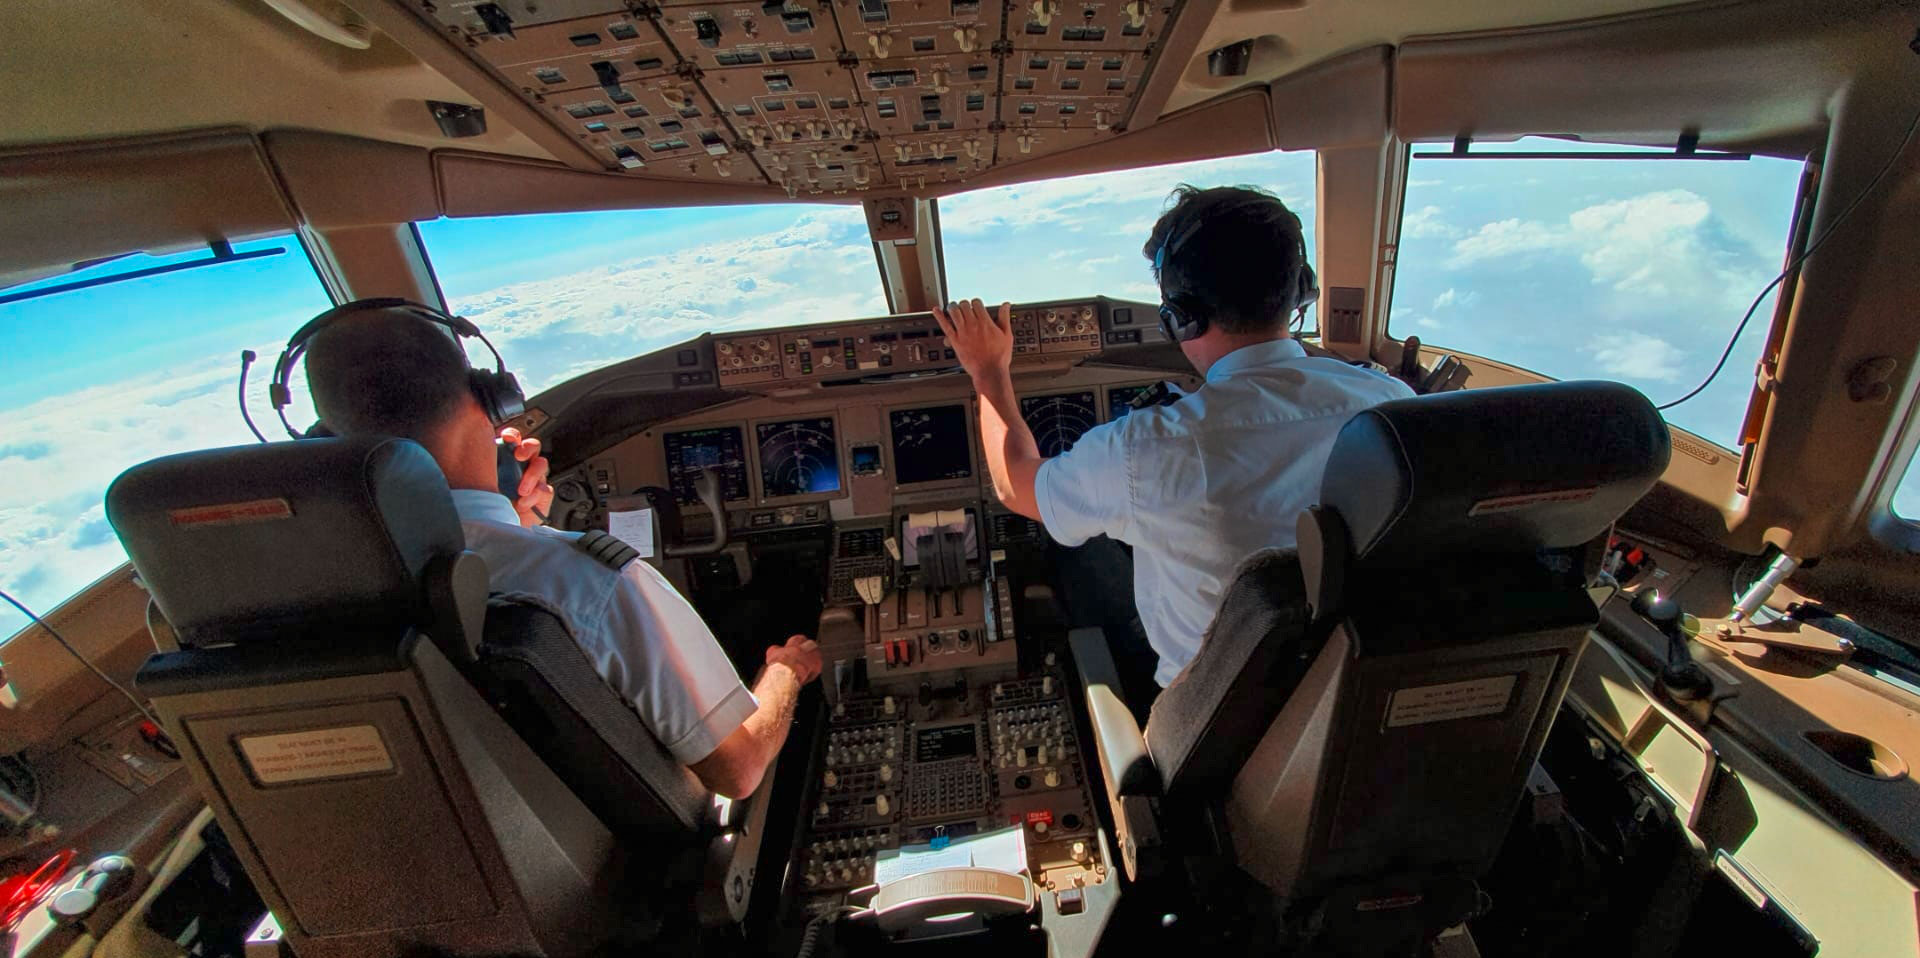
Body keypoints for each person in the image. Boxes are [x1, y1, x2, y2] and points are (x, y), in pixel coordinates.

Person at [303, 303, 819, 798]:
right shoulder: (591, 583)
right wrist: (786, 669)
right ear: (488, 400)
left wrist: (517, 525)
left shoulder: (320, 587)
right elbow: (740, 767)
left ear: (330, 441)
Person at [935, 184, 1414, 706]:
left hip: (1209, 718)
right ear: (1299, 293)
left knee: (1068, 543)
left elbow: (1014, 483)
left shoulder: (1146, 450)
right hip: (1345, 690)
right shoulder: (1390, 403)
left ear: (1179, 318)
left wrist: (987, 371)